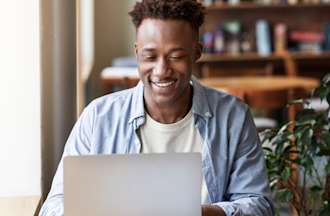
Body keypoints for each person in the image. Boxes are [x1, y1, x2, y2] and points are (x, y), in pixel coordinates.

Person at [39, 0, 274, 215]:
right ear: (137, 54)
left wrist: (198, 213)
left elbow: (259, 205)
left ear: (196, 53)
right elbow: (54, 206)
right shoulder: (98, 118)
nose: (161, 70)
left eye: (176, 56)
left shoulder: (233, 117)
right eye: (150, 56)